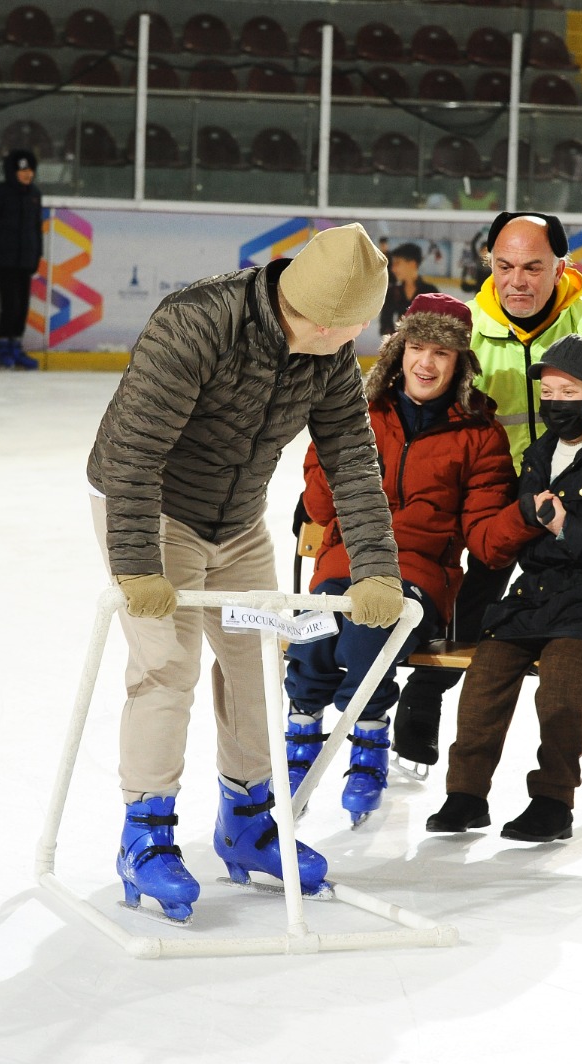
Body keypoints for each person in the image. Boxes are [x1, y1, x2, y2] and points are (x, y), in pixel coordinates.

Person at [86, 223, 402, 925]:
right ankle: (146, 833)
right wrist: (137, 563)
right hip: (153, 509)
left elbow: (352, 456)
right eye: (352, 326)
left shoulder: (326, 356)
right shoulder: (198, 325)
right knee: (166, 668)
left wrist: (377, 568)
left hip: (237, 522)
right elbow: (134, 450)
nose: (358, 339)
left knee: (258, 665)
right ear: (319, 318)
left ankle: (249, 824)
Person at [395, 211, 582, 790]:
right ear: (490, 265)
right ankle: (421, 708)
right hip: (499, 492)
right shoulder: (473, 325)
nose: (518, 280)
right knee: (477, 595)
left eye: (534, 267)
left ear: (561, 266)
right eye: (505, 266)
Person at [285, 292, 535, 826]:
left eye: (441, 354)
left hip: (418, 576)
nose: (426, 362)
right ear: (399, 351)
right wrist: (329, 448)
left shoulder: (479, 435)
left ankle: (368, 736)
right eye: (416, 347)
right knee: (315, 625)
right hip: (342, 563)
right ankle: (300, 732)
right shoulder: (356, 411)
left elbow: (485, 534)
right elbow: (322, 505)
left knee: (367, 628)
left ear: (460, 365)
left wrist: (526, 515)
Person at [426, 334, 582, 842]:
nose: (555, 404)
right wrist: (546, 534)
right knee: (487, 671)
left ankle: (552, 801)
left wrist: (568, 528)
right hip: (545, 599)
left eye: (568, 392)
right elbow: (528, 545)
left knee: (565, 678)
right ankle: (466, 795)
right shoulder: (543, 452)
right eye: (548, 393)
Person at [0, 149, 43, 370]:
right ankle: (4, 348)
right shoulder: (0, 193)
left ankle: (16, 346)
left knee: (22, 306)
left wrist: (37, 255)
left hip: (25, 260)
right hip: (4, 259)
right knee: (9, 305)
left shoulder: (34, 195)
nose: (28, 174)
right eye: (23, 170)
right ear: (12, 172)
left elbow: (36, 228)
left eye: (31, 170)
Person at [378, 242, 439, 335]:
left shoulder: (430, 292)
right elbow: (385, 324)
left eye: (397, 263)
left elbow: (438, 324)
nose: (393, 269)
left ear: (412, 264)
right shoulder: (392, 292)